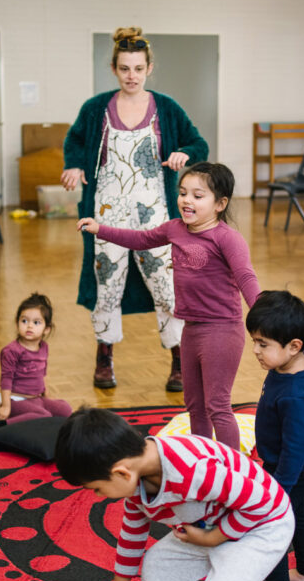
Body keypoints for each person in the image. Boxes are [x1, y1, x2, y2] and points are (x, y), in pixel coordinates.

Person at [54, 407, 293, 581]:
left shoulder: (193, 470)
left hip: (262, 524)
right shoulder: (136, 479)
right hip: (209, 523)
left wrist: (214, 538)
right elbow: (131, 536)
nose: (97, 495)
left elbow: (263, 501)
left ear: (121, 473)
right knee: (158, 572)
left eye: (96, 488)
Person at [62, 26, 209, 392]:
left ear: (149, 68)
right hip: (106, 216)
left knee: (166, 287)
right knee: (106, 285)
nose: (132, 76)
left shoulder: (167, 109)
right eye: (125, 68)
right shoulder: (96, 108)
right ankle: (104, 357)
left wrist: (184, 153)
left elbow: (198, 142)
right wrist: (74, 165)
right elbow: (75, 141)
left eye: (138, 69)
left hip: (156, 218)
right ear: (114, 68)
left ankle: (178, 361)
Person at [77, 162, 259, 451]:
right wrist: (101, 229)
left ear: (220, 204)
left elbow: (246, 277)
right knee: (195, 405)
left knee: (217, 405)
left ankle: (232, 470)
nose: (187, 200)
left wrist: (262, 315)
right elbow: (140, 239)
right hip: (191, 329)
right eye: (183, 193)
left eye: (198, 196)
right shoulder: (175, 229)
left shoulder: (227, 239)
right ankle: (204, 459)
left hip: (223, 331)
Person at [240, 290, 304, 581]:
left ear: (294, 346)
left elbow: (296, 447)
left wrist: (279, 490)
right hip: (295, 463)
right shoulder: (290, 365)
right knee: (299, 514)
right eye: (254, 341)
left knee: (271, 525)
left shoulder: (295, 395)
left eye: (263, 344)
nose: (255, 350)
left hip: (292, 469)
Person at [0, 293, 73, 424]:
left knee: (65, 409)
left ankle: (35, 415)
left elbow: (42, 374)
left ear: (46, 329)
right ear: (17, 323)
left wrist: (47, 396)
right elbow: (6, 380)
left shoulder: (44, 347)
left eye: (36, 322)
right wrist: (6, 406)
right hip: (15, 399)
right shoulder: (11, 351)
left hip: (36, 398)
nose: (29, 326)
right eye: (24, 321)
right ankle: (4, 425)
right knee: (43, 416)